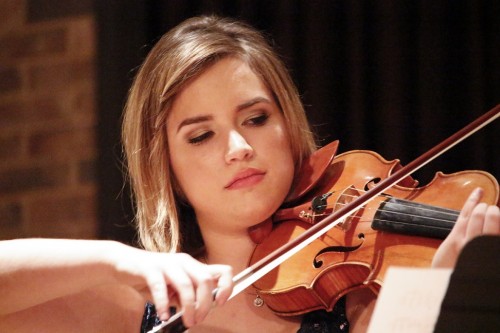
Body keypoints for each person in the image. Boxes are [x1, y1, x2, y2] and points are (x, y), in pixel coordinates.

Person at [0, 15, 498, 333]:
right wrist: (111, 260)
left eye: (255, 119)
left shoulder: (360, 300)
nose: (239, 148)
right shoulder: (137, 307)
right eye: (201, 136)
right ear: (166, 167)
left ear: (287, 125)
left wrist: (439, 292)